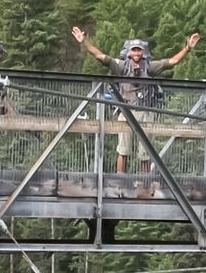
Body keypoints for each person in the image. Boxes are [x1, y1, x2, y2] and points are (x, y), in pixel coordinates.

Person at [71, 26, 199, 170]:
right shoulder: (121, 66)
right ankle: (120, 181)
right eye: (134, 50)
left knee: (145, 153)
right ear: (129, 52)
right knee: (123, 150)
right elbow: (100, 56)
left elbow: (172, 62)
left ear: (143, 52)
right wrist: (84, 42)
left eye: (139, 50)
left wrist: (187, 48)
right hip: (125, 111)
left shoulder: (149, 67)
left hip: (145, 111)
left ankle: (143, 183)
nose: (136, 52)